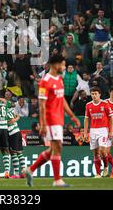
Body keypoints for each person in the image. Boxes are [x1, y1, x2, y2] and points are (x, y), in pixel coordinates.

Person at [23, 54, 80, 187]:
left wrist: (72, 116)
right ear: (56, 64)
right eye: (63, 64)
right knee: (57, 147)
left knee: (53, 149)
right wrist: (42, 124)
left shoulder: (59, 79)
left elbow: (62, 100)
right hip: (50, 119)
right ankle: (57, 180)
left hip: (59, 119)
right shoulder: (45, 81)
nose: (64, 67)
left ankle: (30, 169)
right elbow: (41, 104)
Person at [83, 86, 113, 178]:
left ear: (99, 94)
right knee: (96, 153)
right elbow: (86, 119)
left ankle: (106, 166)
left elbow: (111, 118)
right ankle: (97, 173)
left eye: (96, 94)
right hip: (93, 130)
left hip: (103, 130)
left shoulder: (105, 104)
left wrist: (111, 131)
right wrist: (85, 133)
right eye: (92, 94)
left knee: (102, 151)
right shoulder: (88, 105)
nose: (94, 96)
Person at [7, 103, 25, 179]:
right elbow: (18, 116)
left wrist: (12, 121)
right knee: (19, 152)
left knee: (13, 153)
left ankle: (16, 174)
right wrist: (14, 119)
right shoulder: (10, 110)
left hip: (12, 133)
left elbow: (12, 120)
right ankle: (24, 172)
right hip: (17, 131)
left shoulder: (4, 112)